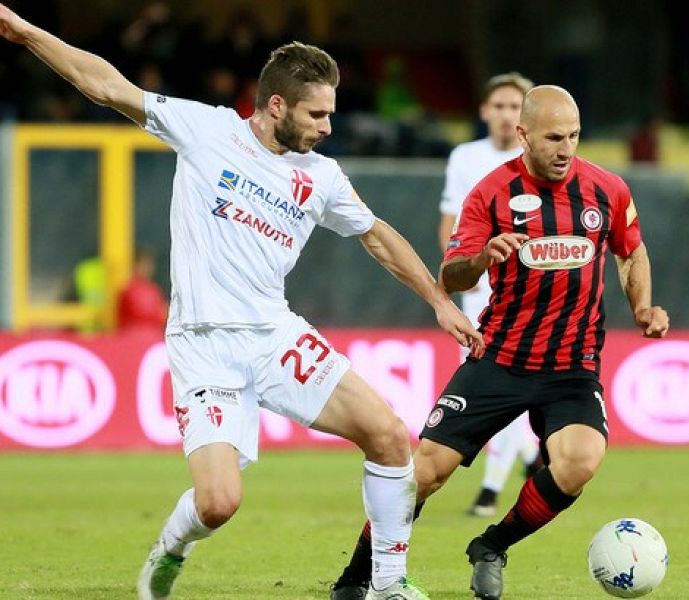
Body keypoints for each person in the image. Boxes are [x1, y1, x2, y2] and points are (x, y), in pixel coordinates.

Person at [0, 6, 484, 600]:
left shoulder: (321, 176)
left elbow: (377, 236)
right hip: (204, 344)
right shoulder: (205, 130)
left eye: (330, 112)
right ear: (276, 105)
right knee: (219, 502)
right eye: (317, 113)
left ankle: (386, 584)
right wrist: (24, 31)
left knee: (387, 434)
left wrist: (439, 301)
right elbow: (105, 84)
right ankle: (170, 549)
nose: (329, 126)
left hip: (274, 335)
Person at [330, 84, 669, 600]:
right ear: (523, 133)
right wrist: (484, 258)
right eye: (554, 137)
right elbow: (451, 277)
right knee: (422, 473)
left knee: (579, 460)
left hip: (571, 368)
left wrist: (642, 306)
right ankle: (354, 579)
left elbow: (631, 251)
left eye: (574, 136)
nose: (566, 148)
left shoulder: (607, 190)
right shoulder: (490, 193)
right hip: (500, 359)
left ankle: (491, 545)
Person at [438, 72, 541, 518]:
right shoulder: (465, 157)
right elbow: (451, 218)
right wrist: (455, 272)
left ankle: (490, 487)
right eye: (498, 106)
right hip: (478, 290)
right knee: (492, 383)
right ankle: (530, 457)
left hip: (526, 292)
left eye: (514, 107)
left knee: (508, 382)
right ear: (484, 111)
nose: (505, 115)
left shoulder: (538, 158)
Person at [117, 247, 168, 334]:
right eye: (144, 264)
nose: (148, 268)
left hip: (154, 338)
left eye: (149, 265)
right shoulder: (130, 290)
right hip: (134, 340)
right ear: (135, 265)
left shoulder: (153, 289)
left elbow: (163, 314)